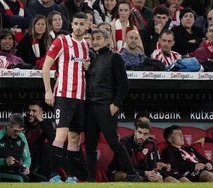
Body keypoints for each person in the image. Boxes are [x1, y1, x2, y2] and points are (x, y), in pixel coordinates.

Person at [84, 28, 140, 182]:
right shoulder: (92, 59)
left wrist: (115, 104)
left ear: (107, 40)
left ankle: (132, 174)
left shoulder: (115, 57)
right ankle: (90, 179)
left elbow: (124, 84)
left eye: (99, 38)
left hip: (105, 106)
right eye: (93, 38)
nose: (95, 41)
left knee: (114, 142)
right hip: (90, 107)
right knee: (90, 145)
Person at [42, 12, 90, 183]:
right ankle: (53, 176)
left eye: (81, 24)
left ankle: (70, 177)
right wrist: (48, 91)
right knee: (60, 135)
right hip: (64, 95)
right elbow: (46, 67)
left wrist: (88, 66)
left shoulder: (86, 45)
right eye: (75, 23)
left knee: (75, 138)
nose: (78, 27)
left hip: (80, 97)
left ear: (87, 26)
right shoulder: (61, 41)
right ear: (72, 25)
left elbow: (87, 69)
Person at [107, 121, 188, 182]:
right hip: (119, 172)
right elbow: (125, 167)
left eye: (145, 134)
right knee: (135, 177)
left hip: (142, 171)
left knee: (167, 179)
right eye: (139, 132)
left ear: (149, 134)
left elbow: (153, 165)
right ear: (135, 131)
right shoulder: (124, 143)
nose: (141, 136)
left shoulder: (151, 143)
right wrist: (145, 173)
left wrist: (153, 174)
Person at [0, 113, 46, 182]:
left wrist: (26, 166)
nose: (17, 133)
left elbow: (27, 158)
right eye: (15, 130)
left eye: (20, 131)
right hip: (0, 171)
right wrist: (4, 161)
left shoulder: (22, 137)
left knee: (42, 180)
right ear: (8, 126)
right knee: (21, 178)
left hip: (17, 170)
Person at [24, 100, 55, 180]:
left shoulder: (46, 123)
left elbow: (52, 138)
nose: (30, 113)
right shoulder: (23, 122)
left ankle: (47, 179)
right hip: (24, 155)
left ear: (41, 113)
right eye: (29, 110)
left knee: (47, 147)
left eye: (34, 111)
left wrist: (41, 120)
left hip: (39, 156)